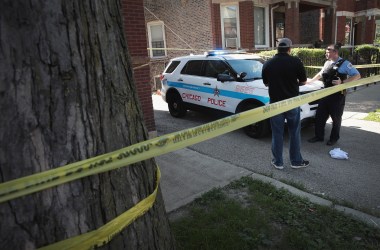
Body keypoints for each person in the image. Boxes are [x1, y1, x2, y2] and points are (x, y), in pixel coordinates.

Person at [262, 38, 309, 170]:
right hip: (292, 103)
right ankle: (296, 161)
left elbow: (266, 83)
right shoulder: (296, 62)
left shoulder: (268, 63)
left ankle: (278, 162)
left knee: (277, 133)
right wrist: (293, 84)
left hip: (275, 103)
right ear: (290, 49)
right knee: (294, 132)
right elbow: (304, 81)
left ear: (277, 49)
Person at [307, 44, 361, 146]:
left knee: (336, 119)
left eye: (328, 52)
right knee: (320, 116)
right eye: (326, 51)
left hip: (337, 96)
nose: (326, 53)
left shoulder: (345, 64)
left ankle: (334, 138)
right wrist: (309, 82)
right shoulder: (327, 63)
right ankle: (319, 136)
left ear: (335, 52)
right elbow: (320, 74)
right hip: (325, 94)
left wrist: (343, 82)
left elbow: (357, 75)